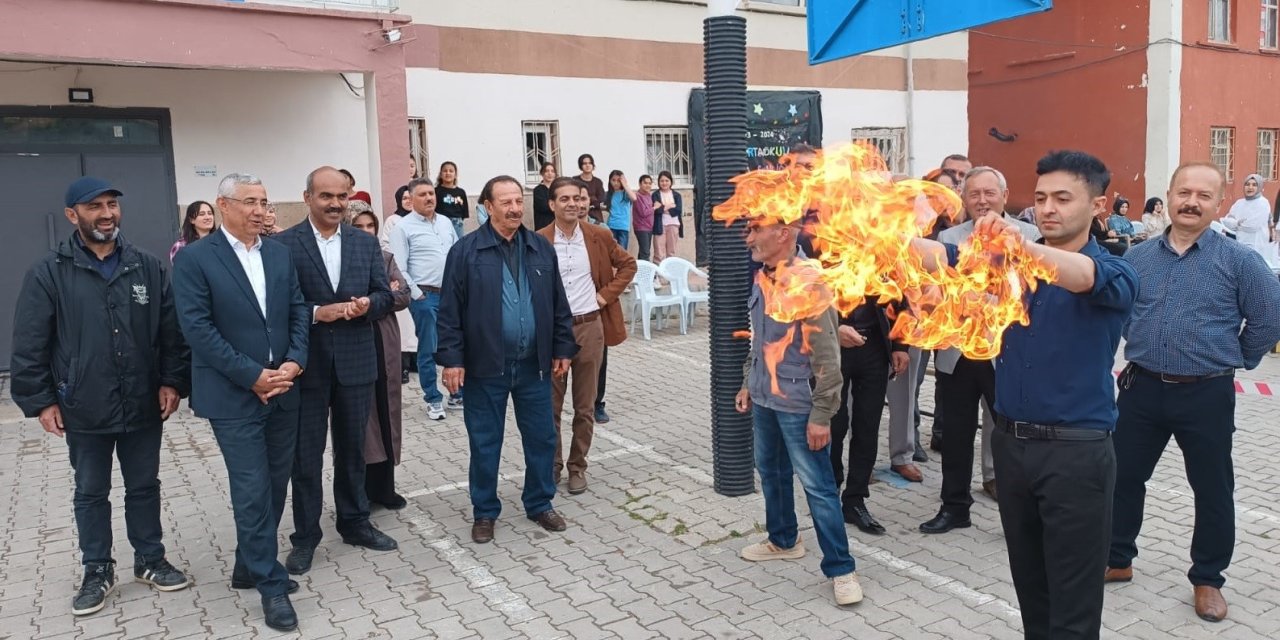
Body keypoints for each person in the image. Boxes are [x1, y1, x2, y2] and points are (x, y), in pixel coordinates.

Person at [914, 150, 1138, 638]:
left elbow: (1082, 276)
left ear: (1098, 206)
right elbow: (943, 258)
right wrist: (880, 238)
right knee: (1032, 594)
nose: (1048, 208)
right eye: (1040, 198)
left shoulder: (1115, 270)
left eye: (1063, 198)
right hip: (1011, 447)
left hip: (1075, 455)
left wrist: (1020, 246)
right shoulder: (1004, 266)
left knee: (1073, 607)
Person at [10, 176, 192, 618]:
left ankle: (150, 559)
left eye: (112, 204)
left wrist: (171, 381)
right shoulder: (49, 272)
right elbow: (30, 343)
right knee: (91, 491)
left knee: (144, 485)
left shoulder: (147, 266)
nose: (107, 214)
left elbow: (171, 332)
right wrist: (42, 401)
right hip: (83, 404)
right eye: (95, 206)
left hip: (143, 400)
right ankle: (97, 569)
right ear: (72, 215)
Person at [1107, 162, 1280, 624]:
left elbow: (1269, 317)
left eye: (1204, 195)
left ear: (1220, 203)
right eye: (1184, 192)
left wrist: (1238, 358)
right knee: (1121, 477)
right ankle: (1117, 557)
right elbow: (1120, 311)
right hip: (1141, 388)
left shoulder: (1239, 261)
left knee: (1212, 488)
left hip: (1205, 393)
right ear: (1169, 195)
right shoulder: (1138, 258)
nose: (1192, 202)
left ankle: (1208, 579)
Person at [172, 173, 310, 632]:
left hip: (283, 387)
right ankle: (271, 585)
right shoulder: (194, 259)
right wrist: (252, 376)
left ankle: (247, 565)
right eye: (249, 201)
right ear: (223, 205)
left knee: (274, 484)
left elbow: (297, 310)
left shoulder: (278, 253)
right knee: (252, 489)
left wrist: (295, 361)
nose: (260, 210)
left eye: (264, 202)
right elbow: (197, 329)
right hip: (233, 395)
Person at [436, 175, 578, 544]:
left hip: (534, 366)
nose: (515, 209)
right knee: (485, 443)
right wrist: (452, 360)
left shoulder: (539, 247)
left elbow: (558, 303)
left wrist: (562, 348)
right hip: (485, 368)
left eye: (518, 201)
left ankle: (540, 502)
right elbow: (449, 312)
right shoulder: (466, 251)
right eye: (506, 202)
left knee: (542, 438)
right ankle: (484, 511)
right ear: (488, 207)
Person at [734, 216, 863, 607]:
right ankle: (783, 540)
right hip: (765, 398)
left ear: (783, 234)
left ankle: (841, 569)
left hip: (797, 405)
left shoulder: (809, 282)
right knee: (771, 472)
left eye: (756, 230)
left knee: (818, 488)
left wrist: (822, 415)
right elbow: (760, 339)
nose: (749, 238)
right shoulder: (763, 276)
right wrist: (748, 381)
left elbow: (828, 357)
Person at [276, 166, 397, 576]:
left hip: (356, 362)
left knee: (353, 451)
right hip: (305, 366)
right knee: (305, 457)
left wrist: (368, 305)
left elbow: (385, 295)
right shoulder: (283, 245)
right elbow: (279, 305)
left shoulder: (364, 243)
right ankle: (306, 537)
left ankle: (355, 522)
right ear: (307, 197)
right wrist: (317, 313)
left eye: (341, 196)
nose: (334, 204)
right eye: (326, 196)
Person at [923, 167, 1041, 534]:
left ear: (1005, 196)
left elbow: (1029, 297)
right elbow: (936, 291)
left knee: (1011, 437)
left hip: (1005, 353)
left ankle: (1019, 514)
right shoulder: (948, 237)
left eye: (990, 193)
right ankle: (954, 506)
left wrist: (987, 299)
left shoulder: (1029, 237)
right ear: (964, 198)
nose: (982, 201)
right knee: (956, 435)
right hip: (958, 352)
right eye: (974, 194)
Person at [538, 177, 637, 494]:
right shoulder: (538, 241)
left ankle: (577, 466)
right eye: (564, 199)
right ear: (552, 204)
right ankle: (552, 466)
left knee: (585, 407)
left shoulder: (598, 235)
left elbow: (628, 265)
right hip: (553, 333)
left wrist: (605, 296)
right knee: (550, 407)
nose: (572, 204)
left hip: (590, 327)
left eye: (577, 198)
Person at [829, 299, 909, 535]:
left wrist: (901, 346)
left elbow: (901, 299)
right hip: (832, 347)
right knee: (833, 425)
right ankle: (828, 492)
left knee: (867, 426)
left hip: (873, 345)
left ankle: (855, 500)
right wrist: (834, 328)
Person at [350, 210, 414, 509]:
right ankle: (358, 491)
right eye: (358, 226)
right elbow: (343, 300)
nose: (366, 231)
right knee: (361, 419)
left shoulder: (385, 258)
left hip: (384, 341)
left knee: (387, 412)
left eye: (370, 225)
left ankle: (385, 488)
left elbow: (404, 295)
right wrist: (384, 295)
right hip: (353, 343)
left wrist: (373, 301)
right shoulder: (343, 260)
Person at [390, 177, 461, 419]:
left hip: (451, 294)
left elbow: (457, 254)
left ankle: (456, 394)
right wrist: (417, 295)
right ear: (411, 200)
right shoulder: (403, 227)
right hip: (424, 296)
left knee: (454, 343)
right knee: (429, 347)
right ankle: (433, 398)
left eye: (431, 193)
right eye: (422, 194)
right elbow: (399, 267)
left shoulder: (445, 222)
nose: (429, 198)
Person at [1220, 173, 1272, 261]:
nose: (1250, 187)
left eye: (1254, 185)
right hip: (1240, 243)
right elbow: (1226, 221)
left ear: (1259, 187)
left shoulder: (1263, 203)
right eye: (1247, 184)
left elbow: (1252, 226)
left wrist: (1235, 224)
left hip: (1257, 245)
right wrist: (1237, 223)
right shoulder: (1239, 203)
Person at [652, 171, 684, 262]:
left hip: (673, 225)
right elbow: (657, 211)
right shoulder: (655, 195)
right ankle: (659, 270)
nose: (664, 183)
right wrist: (670, 206)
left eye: (667, 180)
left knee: (671, 252)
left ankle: (670, 270)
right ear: (658, 182)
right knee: (659, 253)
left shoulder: (677, 195)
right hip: (659, 225)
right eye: (662, 181)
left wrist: (662, 207)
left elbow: (678, 210)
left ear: (671, 182)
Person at [435, 161, 469, 239]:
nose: (448, 173)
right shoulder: (435, 191)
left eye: (451, 171)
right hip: (440, 223)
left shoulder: (461, 192)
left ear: (455, 174)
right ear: (440, 174)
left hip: (457, 224)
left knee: (458, 244)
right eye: (445, 171)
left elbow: (464, 211)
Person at [604, 170, 635, 249]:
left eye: (618, 180)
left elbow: (634, 198)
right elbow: (605, 206)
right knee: (611, 250)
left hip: (623, 227)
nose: (616, 183)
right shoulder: (608, 194)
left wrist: (625, 184)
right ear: (610, 181)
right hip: (611, 226)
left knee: (622, 251)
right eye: (613, 180)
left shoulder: (625, 193)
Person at [577, 154, 606, 224]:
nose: (587, 165)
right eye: (584, 163)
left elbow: (601, 199)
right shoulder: (575, 180)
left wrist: (592, 203)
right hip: (579, 214)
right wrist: (592, 199)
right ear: (580, 166)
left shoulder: (598, 182)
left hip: (595, 215)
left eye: (590, 163)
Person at [633, 174, 656, 262]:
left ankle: (640, 269)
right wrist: (654, 207)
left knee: (643, 252)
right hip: (641, 228)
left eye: (650, 183)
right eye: (645, 183)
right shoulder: (637, 196)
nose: (648, 185)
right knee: (645, 253)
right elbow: (643, 213)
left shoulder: (648, 195)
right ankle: (646, 270)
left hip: (649, 227)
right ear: (640, 184)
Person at [532, 161, 557, 230]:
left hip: (557, 225)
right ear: (542, 173)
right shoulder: (538, 190)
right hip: (543, 225)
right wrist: (560, 207)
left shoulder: (557, 189)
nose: (550, 173)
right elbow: (544, 207)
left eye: (552, 171)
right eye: (547, 171)